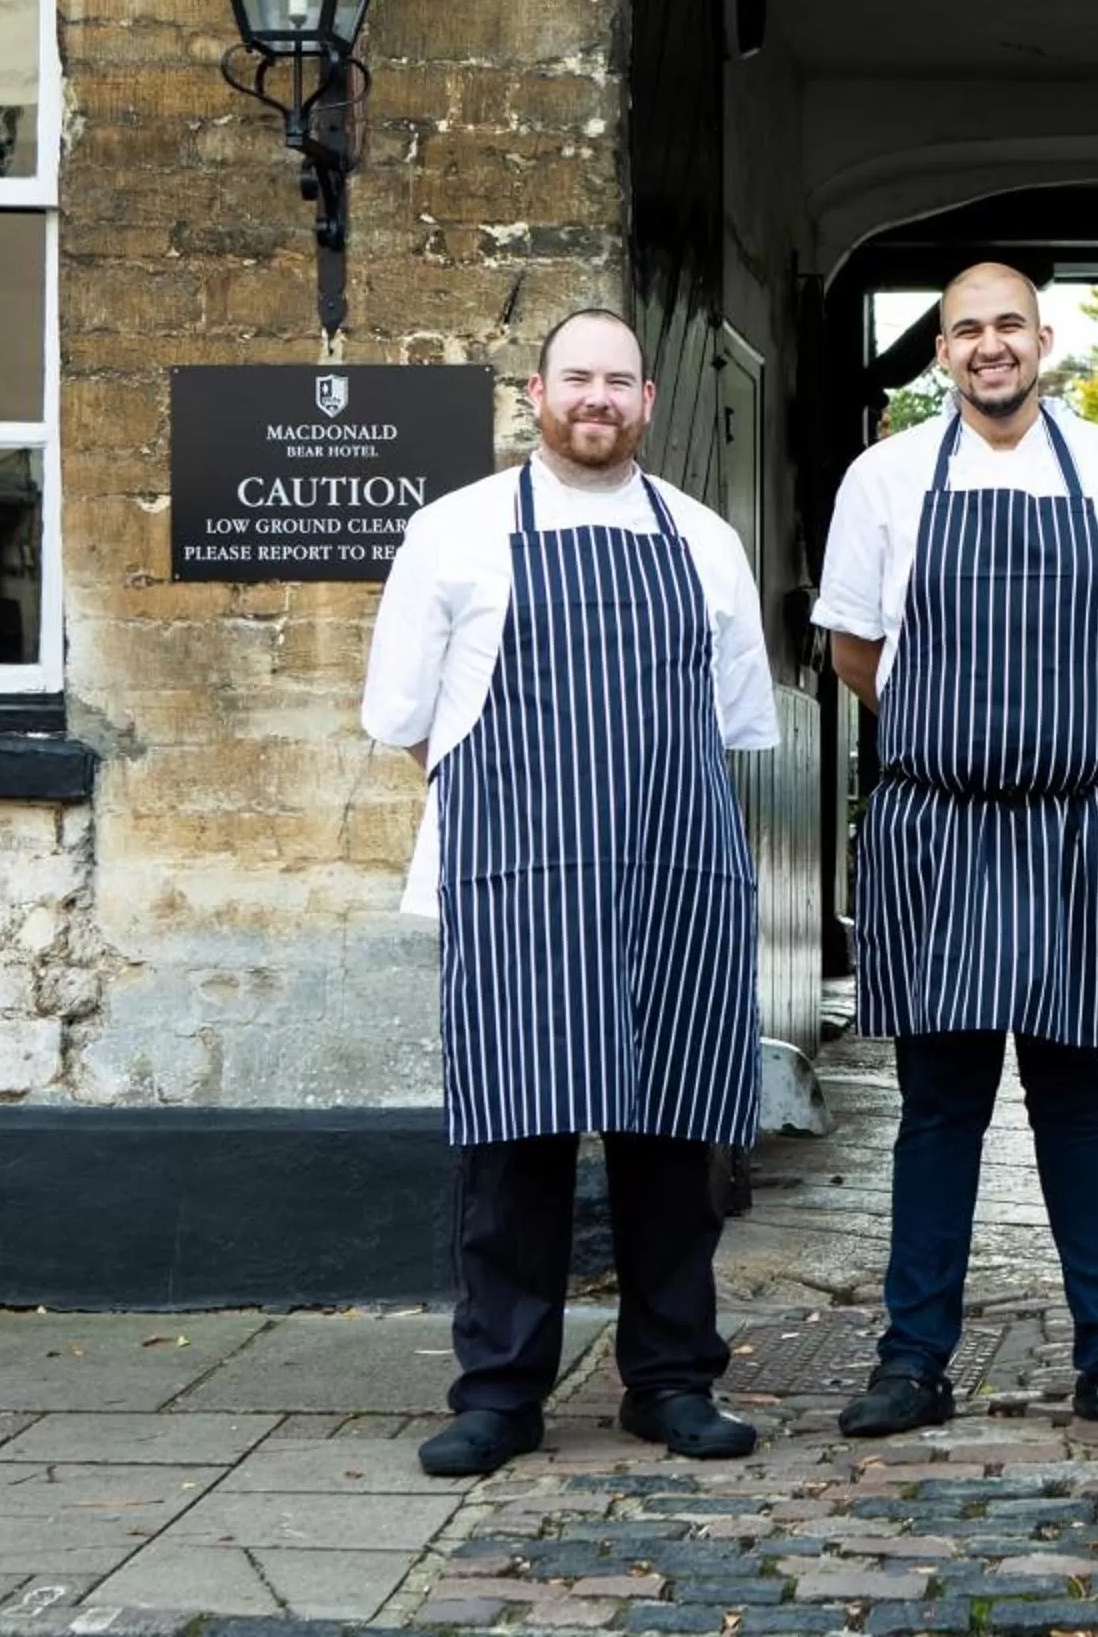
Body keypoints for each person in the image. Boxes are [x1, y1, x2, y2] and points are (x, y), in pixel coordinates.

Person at [362, 307, 778, 1479]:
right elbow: (408, 721)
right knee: (515, 1145)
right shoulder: (452, 533)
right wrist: (522, 829)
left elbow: (733, 724)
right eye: (577, 377)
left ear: (648, 402)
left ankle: (672, 1379)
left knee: (672, 1142)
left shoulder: (702, 539)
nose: (598, 398)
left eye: (620, 381)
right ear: (535, 393)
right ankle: (499, 1393)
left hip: (672, 875)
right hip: (521, 882)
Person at [813, 263, 1098, 1438]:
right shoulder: (884, 477)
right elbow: (857, 651)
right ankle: (912, 1357)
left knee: (1081, 1100)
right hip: (941, 820)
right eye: (966, 328)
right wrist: (959, 734)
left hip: (1081, 819)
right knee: (939, 1105)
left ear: (1045, 338)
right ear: (940, 351)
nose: (989, 346)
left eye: (1008, 324)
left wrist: (1059, 733)